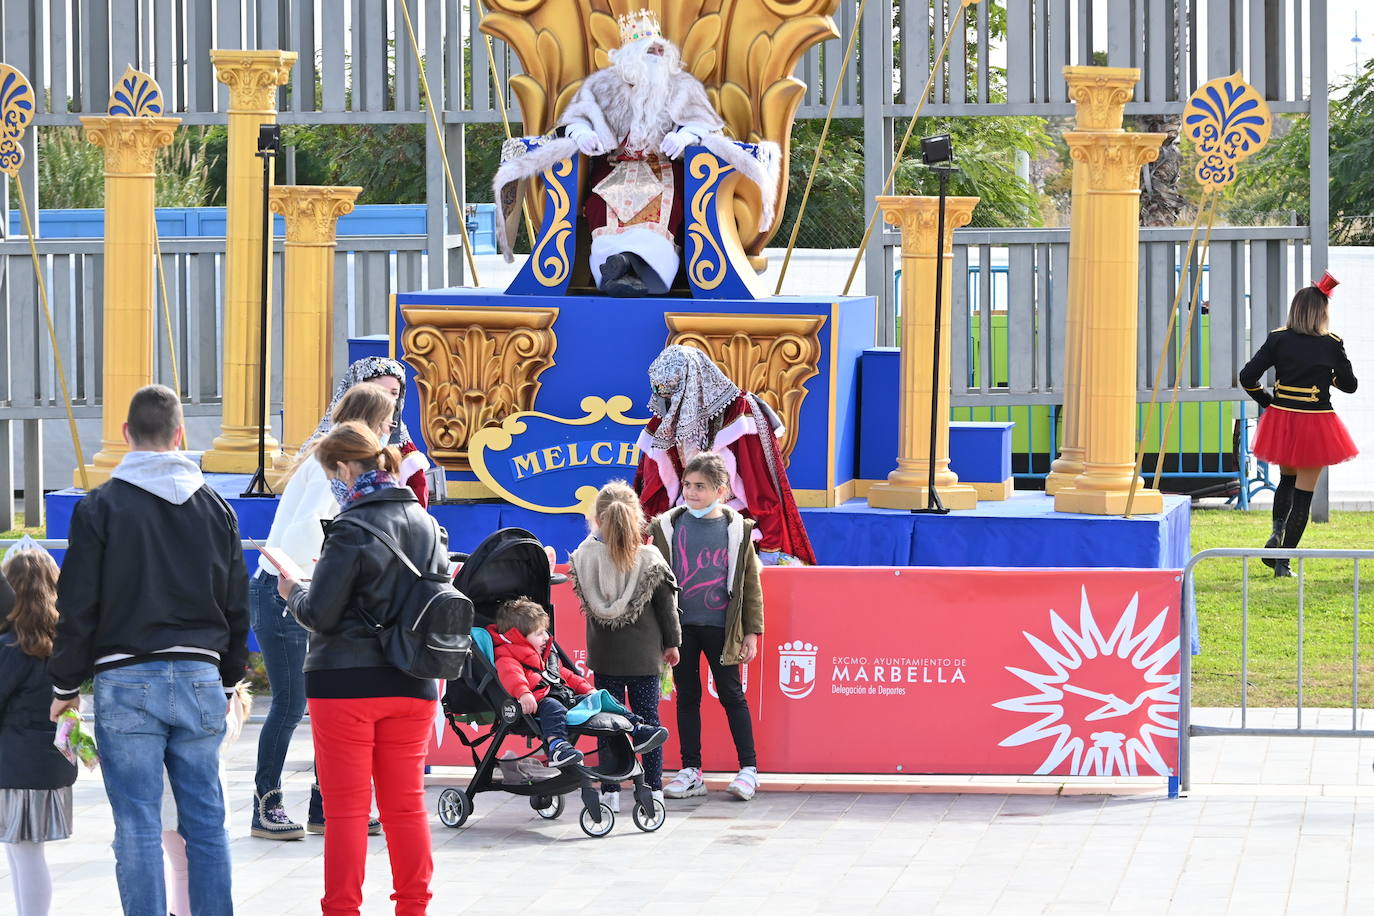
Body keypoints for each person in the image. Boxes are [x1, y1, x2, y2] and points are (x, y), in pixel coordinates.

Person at [50, 384, 248, 916]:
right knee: (206, 821)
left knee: (136, 824)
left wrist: (65, 686)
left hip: (126, 677)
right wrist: (228, 682)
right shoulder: (216, 508)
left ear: (124, 436)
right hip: (202, 677)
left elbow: (77, 606)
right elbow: (236, 605)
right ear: (181, 434)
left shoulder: (100, 508)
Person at [276, 421, 445, 916]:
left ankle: (343, 910)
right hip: (413, 678)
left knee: (347, 812)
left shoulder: (349, 526)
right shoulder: (426, 523)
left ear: (346, 468)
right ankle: (414, 907)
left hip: (344, 681)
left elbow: (321, 613)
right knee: (406, 804)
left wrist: (294, 591)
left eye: (334, 473)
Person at [492, 9, 778, 296]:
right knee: (598, 207)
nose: (656, 54)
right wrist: (582, 133)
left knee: (668, 207)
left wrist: (685, 135)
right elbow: (576, 118)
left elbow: (706, 125)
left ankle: (626, 268)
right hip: (613, 169)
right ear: (631, 56)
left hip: (663, 170)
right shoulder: (603, 86)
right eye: (649, 50)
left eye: (659, 49)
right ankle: (620, 268)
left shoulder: (681, 86)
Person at [249, 383, 396, 840]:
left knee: (327, 706)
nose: (391, 433)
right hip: (284, 591)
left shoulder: (338, 466)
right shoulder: (329, 468)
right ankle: (266, 805)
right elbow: (304, 536)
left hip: (313, 594)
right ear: (368, 426)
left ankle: (324, 804)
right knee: (292, 704)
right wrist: (325, 578)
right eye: (387, 424)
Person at [635, 344, 817, 565]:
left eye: (673, 394)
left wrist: (770, 545)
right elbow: (653, 489)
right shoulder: (664, 419)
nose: (667, 405)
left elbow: (760, 485)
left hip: (735, 530)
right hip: (682, 529)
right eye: (660, 394)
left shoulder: (740, 414)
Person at [651, 451, 763, 801]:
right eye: (687, 484)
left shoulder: (736, 529)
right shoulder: (667, 526)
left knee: (731, 695)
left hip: (721, 627)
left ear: (721, 489)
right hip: (681, 630)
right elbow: (654, 580)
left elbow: (750, 584)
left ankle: (749, 769)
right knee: (687, 697)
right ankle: (691, 770)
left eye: (700, 486)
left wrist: (751, 631)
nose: (691, 492)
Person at [568, 481, 680, 811]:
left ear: (596, 518)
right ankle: (654, 789)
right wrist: (673, 643)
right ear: (637, 517)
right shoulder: (649, 558)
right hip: (645, 656)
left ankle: (611, 792)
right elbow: (666, 606)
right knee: (648, 724)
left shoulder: (584, 556)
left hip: (605, 657)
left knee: (608, 725)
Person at [1239, 273, 1359, 578]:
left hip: (1283, 422)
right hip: (1316, 424)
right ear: (1322, 312)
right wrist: (1330, 376)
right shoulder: (1332, 343)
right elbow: (1350, 385)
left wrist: (1267, 402)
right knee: (1304, 496)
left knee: (1286, 483)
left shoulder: (1278, 337)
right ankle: (1283, 563)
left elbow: (1247, 376)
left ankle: (1276, 535)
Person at [1, 550, 77, 916]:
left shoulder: (12, 647)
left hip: (18, 765)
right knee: (24, 851)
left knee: (24, 853)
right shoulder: (61, 642)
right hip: (50, 762)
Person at [163, 681, 251, 916]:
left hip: (164, 790)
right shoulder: (228, 696)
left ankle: (178, 910)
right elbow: (227, 736)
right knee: (202, 861)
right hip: (207, 786)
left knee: (179, 866)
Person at [308, 357, 431, 508]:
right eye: (378, 392)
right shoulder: (329, 446)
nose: (387, 401)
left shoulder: (406, 451)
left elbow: (417, 507)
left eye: (393, 393)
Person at [488, 597, 596, 768]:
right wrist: (523, 693)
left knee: (598, 700)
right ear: (518, 636)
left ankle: (635, 726)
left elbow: (564, 674)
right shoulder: (507, 655)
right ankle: (557, 747)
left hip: (562, 697)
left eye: (546, 631)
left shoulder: (542, 655)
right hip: (539, 703)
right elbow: (512, 675)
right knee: (553, 706)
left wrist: (588, 690)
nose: (547, 637)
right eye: (539, 633)